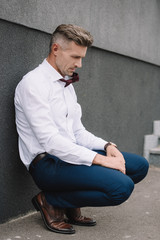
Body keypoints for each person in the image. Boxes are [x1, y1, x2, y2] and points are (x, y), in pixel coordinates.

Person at [14, 24, 149, 234]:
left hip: (70, 154)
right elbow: (50, 141)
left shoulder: (67, 84)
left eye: (82, 58)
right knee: (121, 187)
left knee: (139, 166)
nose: (80, 64)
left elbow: (77, 132)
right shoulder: (33, 84)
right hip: (48, 163)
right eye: (75, 57)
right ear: (56, 49)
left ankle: (69, 200)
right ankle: (51, 200)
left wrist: (107, 146)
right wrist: (102, 160)